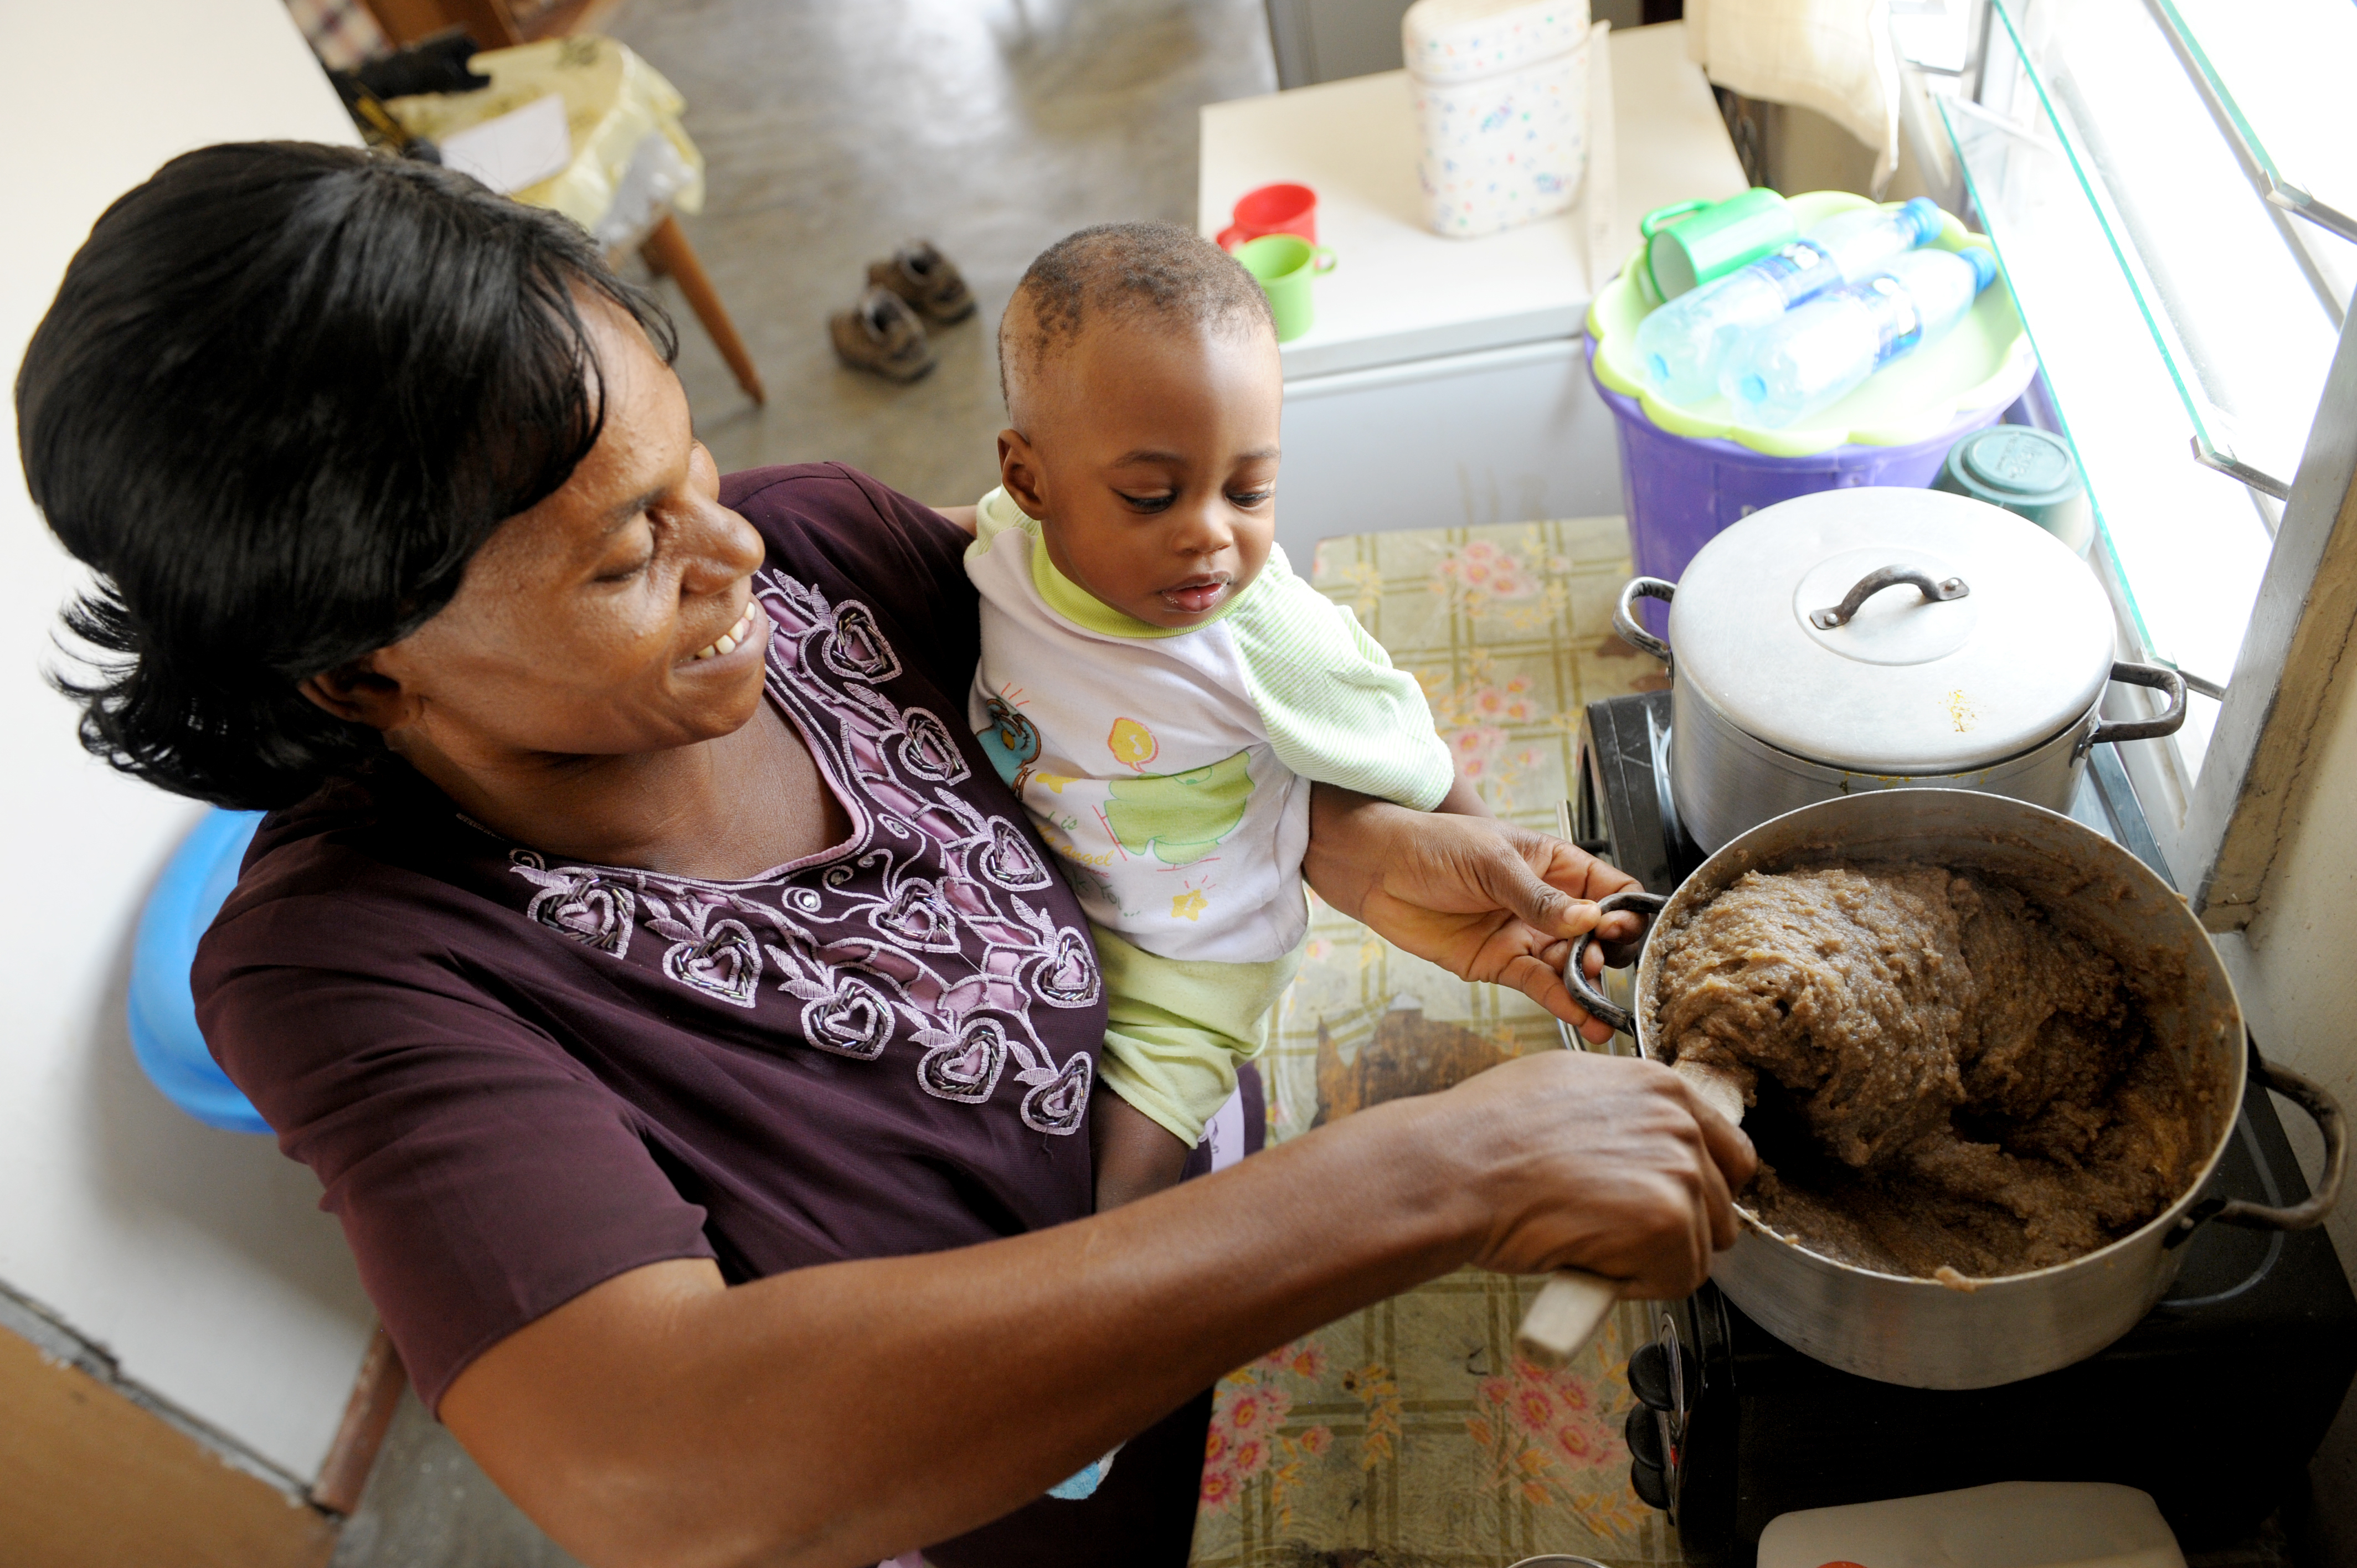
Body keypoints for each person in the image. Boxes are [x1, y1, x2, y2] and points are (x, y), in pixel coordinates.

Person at [16, 142, 1754, 1568]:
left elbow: (1119, 693)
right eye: (630, 558)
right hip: (1003, 1508)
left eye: (695, 471)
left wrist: (1359, 848)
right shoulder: (347, 970)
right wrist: (1430, 1180)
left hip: (1236, 1258)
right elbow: (666, 1462)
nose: (736, 549)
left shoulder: (831, 553)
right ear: (359, 669)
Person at [956, 221, 1499, 1214]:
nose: (1211, 534)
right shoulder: (1001, 545)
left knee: (1115, 1204)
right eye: (1153, 496)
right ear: (1028, 483)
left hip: (1190, 969)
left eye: (1251, 490)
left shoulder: (1262, 636)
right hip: (1045, 901)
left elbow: (1402, 743)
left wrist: (1506, 878)